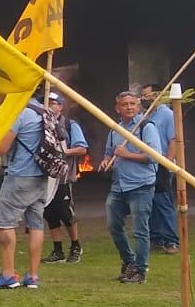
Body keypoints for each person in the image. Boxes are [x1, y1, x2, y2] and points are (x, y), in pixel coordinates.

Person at [0, 93, 53, 290]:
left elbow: (2, 147)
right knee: (36, 225)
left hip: (19, 176)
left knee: (6, 224)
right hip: (42, 176)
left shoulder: (20, 114)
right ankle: (33, 276)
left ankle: (8, 275)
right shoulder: (46, 113)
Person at [100, 90, 163, 284]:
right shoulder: (114, 130)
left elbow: (154, 157)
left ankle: (140, 270)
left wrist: (127, 154)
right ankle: (129, 261)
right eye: (124, 104)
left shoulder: (146, 127)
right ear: (117, 108)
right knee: (113, 225)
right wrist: (106, 160)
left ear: (138, 106)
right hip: (119, 185)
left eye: (132, 104)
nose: (128, 107)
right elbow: (109, 152)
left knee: (140, 230)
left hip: (141, 185)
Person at [43, 93, 89, 263]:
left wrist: (62, 153)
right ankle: (57, 250)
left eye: (54, 103)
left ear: (61, 106)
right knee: (49, 213)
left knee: (66, 212)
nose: (50, 106)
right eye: (47, 103)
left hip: (63, 176)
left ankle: (75, 245)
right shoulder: (41, 125)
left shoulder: (69, 125)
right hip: (45, 177)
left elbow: (82, 148)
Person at [140, 83, 180, 254]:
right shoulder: (146, 115)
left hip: (162, 164)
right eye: (143, 95)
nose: (144, 98)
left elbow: (174, 140)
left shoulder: (168, 115)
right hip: (148, 164)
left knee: (163, 202)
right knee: (151, 203)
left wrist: (167, 162)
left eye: (147, 95)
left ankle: (171, 240)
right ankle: (156, 238)